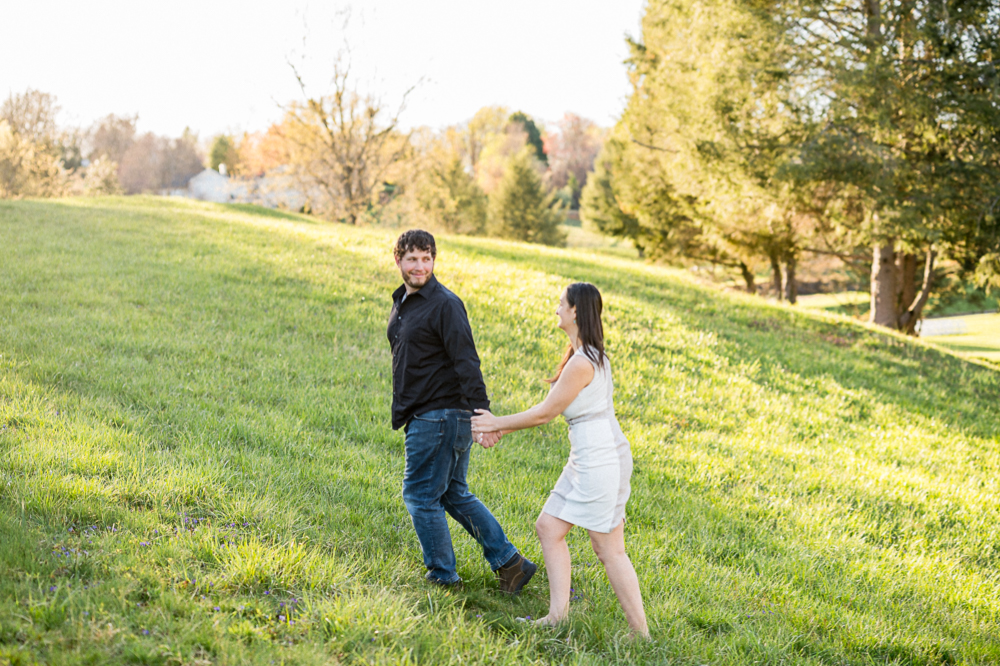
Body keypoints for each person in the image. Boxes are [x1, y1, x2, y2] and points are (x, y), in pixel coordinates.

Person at [471, 282, 649, 637]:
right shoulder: (582, 356)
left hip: (601, 460)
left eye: (560, 304)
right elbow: (548, 411)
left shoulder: (585, 362)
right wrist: (501, 429)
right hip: (588, 457)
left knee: (609, 549)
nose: (556, 309)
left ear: (576, 312)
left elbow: (545, 413)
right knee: (549, 528)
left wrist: (496, 424)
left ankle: (640, 634)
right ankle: (557, 616)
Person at [387, 229, 536, 593]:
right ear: (398, 261)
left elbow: (466, 360)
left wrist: (483, 414)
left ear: (434, 260)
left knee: (420, 496)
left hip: (439, 417)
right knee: (453, 493)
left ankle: (443, 576)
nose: (419, 266)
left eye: (426, 258)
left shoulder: (445, 304)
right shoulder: (404, 301)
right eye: (412, 259)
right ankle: (510, 563)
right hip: (428, 415)